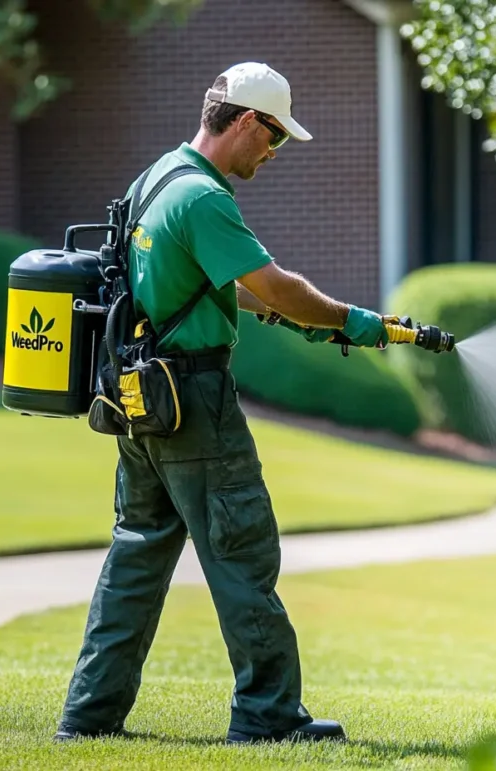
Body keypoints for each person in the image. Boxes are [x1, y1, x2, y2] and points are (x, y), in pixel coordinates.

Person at [54, 61, 391, 746]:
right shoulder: (205, 198)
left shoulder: (155, 180)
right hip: (194, 400)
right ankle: (268, 715)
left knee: (137, 556)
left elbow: (196, 281)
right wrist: (349, 319)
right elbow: (276, 283)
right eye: (275, 138)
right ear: (244, 121)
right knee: (242, 550)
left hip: (139, 398)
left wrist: (269, 307)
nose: (274, 152)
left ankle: (89, 716)